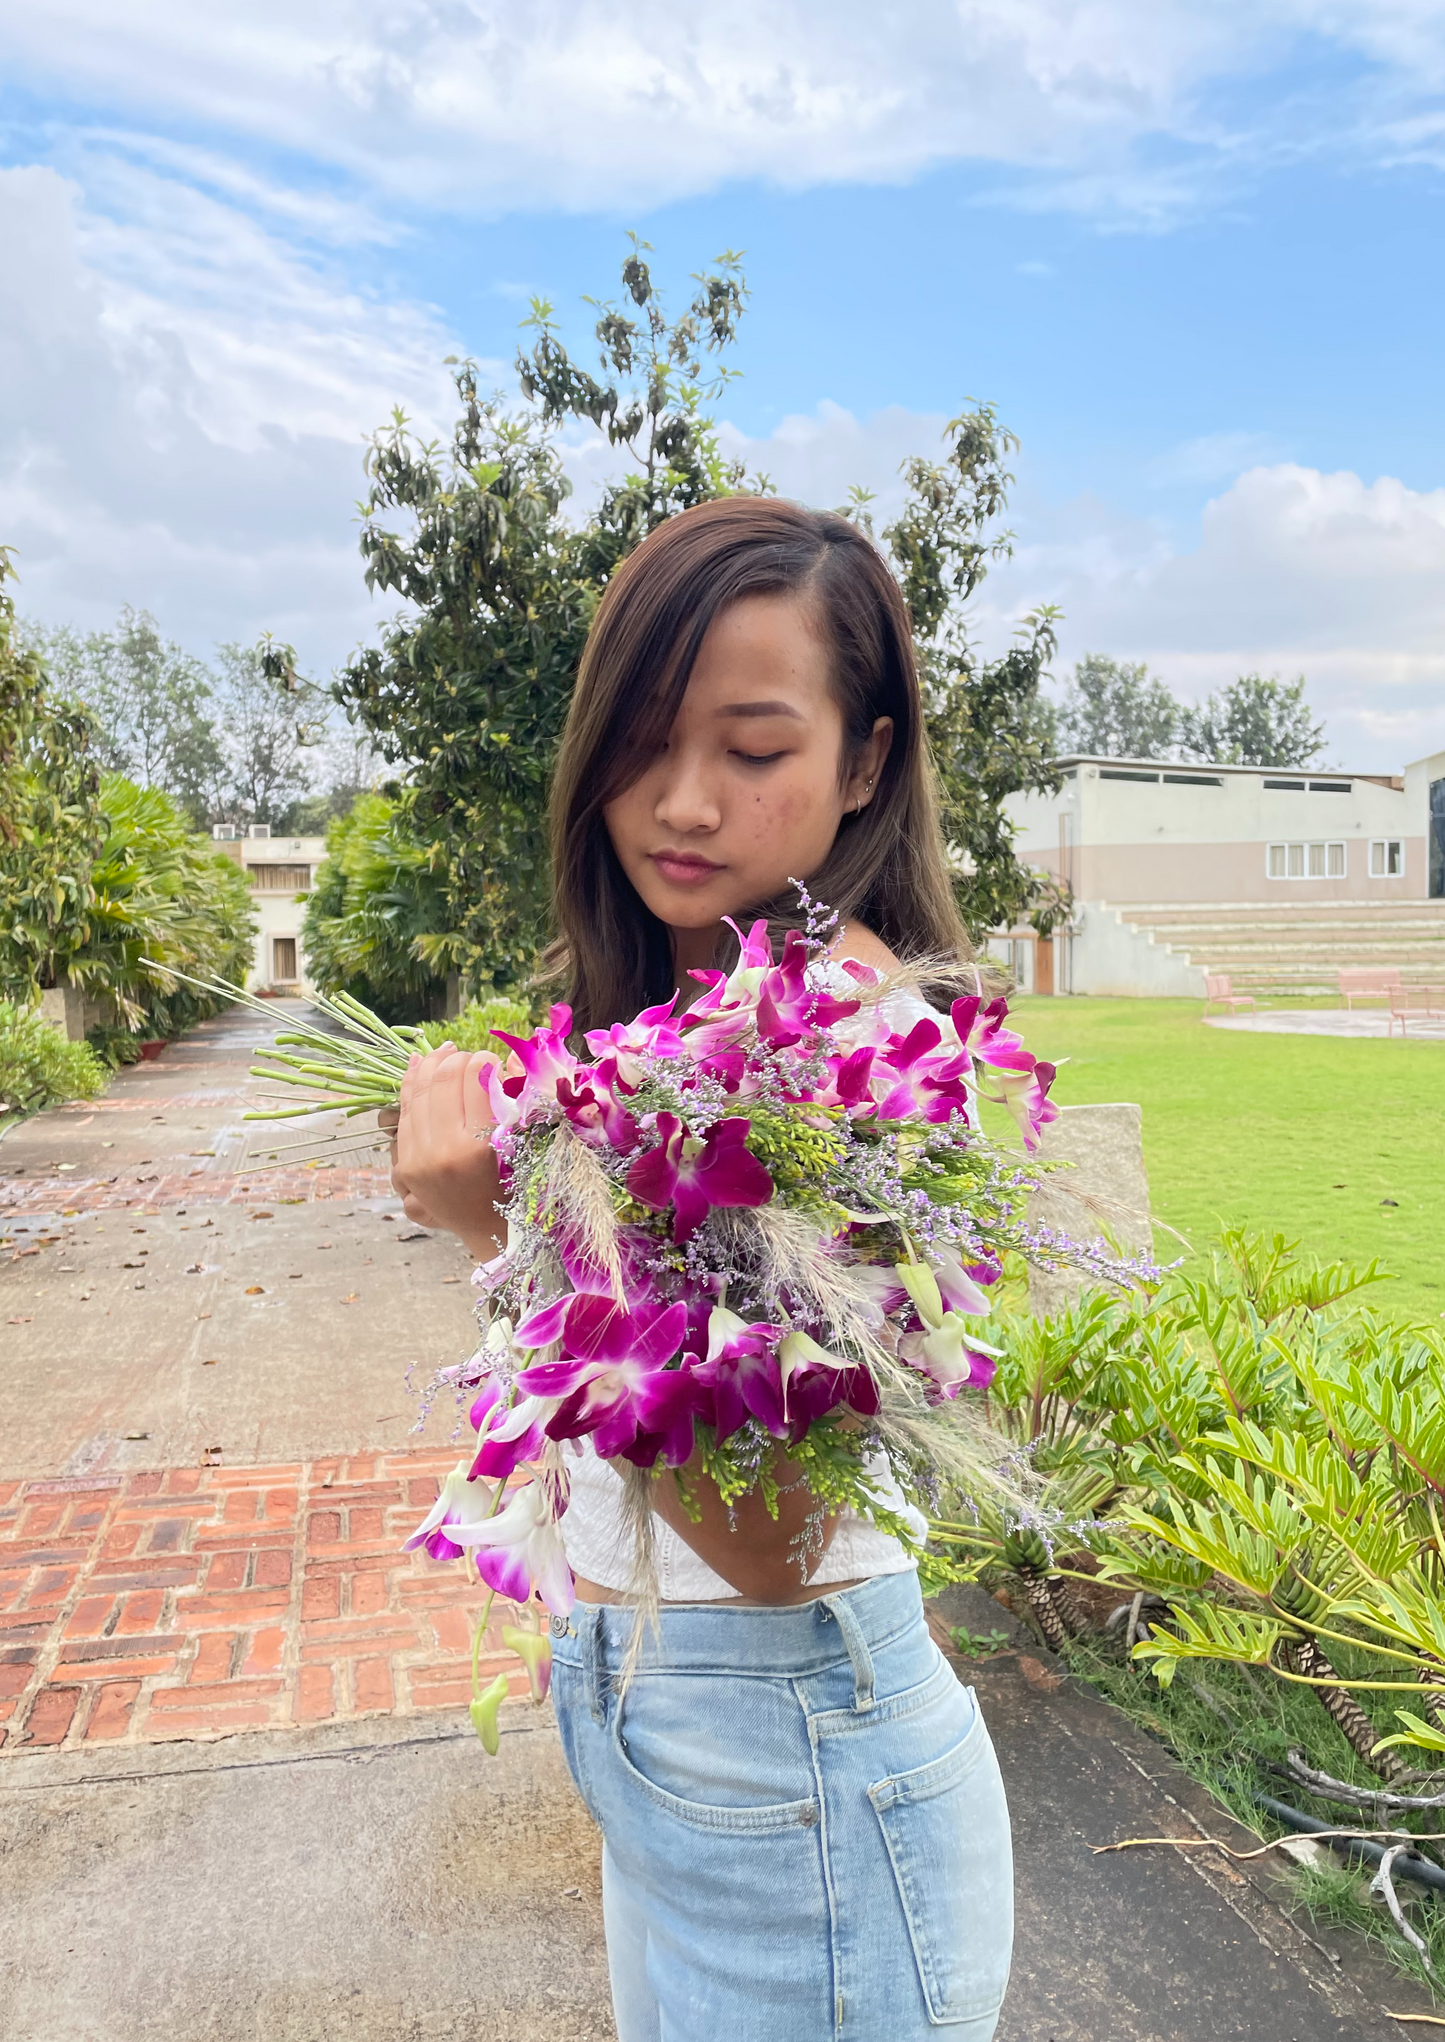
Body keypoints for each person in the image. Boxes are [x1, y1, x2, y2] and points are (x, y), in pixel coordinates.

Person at [386, 496, 1013, 2040]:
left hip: (788, 1755)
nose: (680, 802)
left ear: (865, 760)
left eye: (751, 749)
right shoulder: (681, 1016)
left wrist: (500, 1236)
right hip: (685, 1736)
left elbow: (771, 1538)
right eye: (643, 742)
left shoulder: (855, 1046)